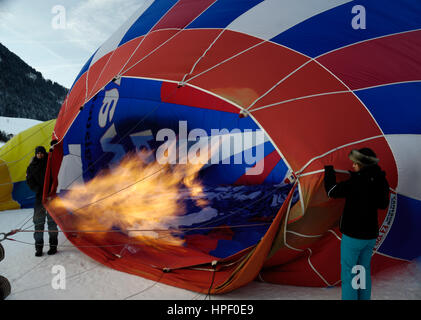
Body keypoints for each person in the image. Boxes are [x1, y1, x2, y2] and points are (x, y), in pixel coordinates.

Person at [324, 148, 390, 300]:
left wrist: (328, 170)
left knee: (349, 273)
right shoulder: (381, 179)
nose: (352, 165)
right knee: (363, 271)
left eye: (355, 163)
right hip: (370, 236)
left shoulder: (356, 182)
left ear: (363, 164)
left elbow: (331, 191)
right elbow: (383, 203)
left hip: (353, 237)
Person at [26, 146, 58, 257]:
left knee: (52, 223)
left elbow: (54, 155)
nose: (40, 155)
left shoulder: (49, 163)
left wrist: (54, 146)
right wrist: (38, 190)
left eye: (42, 153)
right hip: (39, 198)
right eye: (38, 153)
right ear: (35, 154)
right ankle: (39, 248)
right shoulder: (31, 167)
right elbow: (29, 181)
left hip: (50, 198)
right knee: (38, 224)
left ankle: (53, 246)